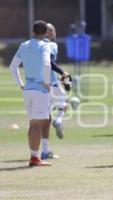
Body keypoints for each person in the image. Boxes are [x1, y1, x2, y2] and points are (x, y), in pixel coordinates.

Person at [9, 20, 52, 167]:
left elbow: (13, 66)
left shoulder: (24, 45)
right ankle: (34, 158)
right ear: (46, 33)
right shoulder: (45, 46)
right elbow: (47, 63)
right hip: (40, 90)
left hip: (27, 89)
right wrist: (47, 82)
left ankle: (34, 156)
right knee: (37, 125)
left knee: (33, 124)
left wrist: (20, 83)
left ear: (33, 32)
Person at [40, 23, 70, 160]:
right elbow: (50, 62)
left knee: (45, 119)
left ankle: (44, 151)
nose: (54, 32)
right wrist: (62, 73)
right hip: (52, 83)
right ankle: (58, 120)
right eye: (52, 30)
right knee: (64, 104)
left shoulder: (35, 45)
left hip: (39, 85)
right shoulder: (51, 45)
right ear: (47, 33)